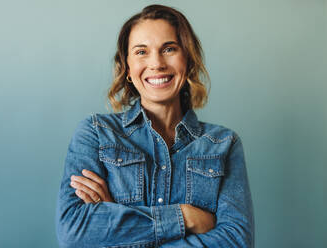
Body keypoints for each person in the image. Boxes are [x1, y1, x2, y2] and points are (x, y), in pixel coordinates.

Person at [56, 4, 254, 248]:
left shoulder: (223, 143)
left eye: (169, 49)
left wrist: (117, 221)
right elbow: (74, 232)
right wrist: (186, 217)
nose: (157, 63)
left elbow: (236, 241)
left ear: (188, 60)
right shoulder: (96, 133)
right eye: (141, 52)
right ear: (127, 67)